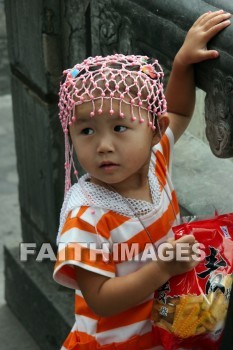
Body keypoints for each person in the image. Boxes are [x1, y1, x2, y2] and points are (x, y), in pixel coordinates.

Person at [53, 10, 231, 350]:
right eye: (86, 131)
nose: (104, 146)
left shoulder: (155, 162)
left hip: (161, 329)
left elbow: (176, 112)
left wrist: (181, 64)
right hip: (112, 342)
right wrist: (161, 269)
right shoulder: (86, 217)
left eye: (120, 128)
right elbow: (100, 299)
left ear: (154, 133)